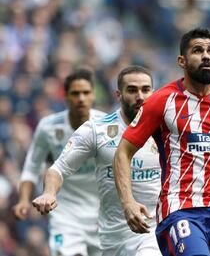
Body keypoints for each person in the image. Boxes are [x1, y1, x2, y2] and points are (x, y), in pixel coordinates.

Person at [113, 27, 210, 256]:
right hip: (181, 210)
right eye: (197, 50)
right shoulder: (162, 101)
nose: (206, 55)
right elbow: (123, 152)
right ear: (182, 61)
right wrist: (128, 202)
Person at [32, 66, 162, 256]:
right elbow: (58, 169)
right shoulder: (96, 130)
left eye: (146, 89)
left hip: (153, 231)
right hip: (111, 238)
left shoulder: (167, 130)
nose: (140, 96)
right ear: (118, 94)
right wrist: (49, 193)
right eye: (132, 90)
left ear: (153, 92)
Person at [13, 68, 105, 256]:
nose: (81, 98)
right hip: (65, 213)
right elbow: (31, 167)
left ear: (93, 95)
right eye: (75, 93)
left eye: (86, 93)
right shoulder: (48, 127)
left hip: (101, 214)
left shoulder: (106, 125)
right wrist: (23, 200)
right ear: (66, 96)